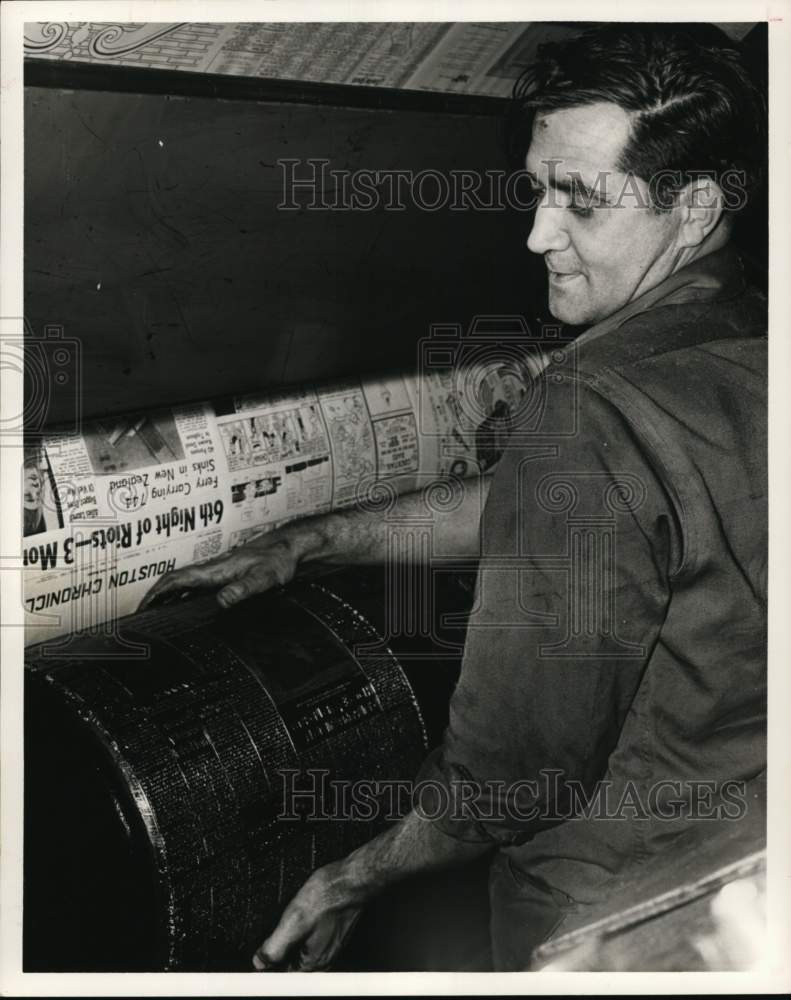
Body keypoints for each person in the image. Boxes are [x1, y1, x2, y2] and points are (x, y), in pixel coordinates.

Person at [142, 24, 767, 971]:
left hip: (606, 919)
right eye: (535, 190)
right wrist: (317, 540)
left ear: (694, 208)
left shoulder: (596, 404)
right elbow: (596, 512)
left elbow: (512, 777)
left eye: (580, 202)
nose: (535, 234)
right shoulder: (742, 331)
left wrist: (353, 876)